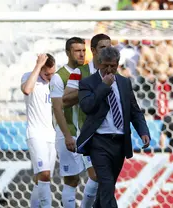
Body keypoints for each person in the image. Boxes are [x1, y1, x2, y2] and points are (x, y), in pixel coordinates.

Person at [77, 47, 150, 207]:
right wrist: (103, 86)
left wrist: (143, 131)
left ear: (118, 64)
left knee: (106, 188)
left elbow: (134, 110)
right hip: (99, 143)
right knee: (107, 183)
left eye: (113, 66)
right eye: (106, 66)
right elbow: (87, 107)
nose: (109, 69)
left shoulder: (124, 82)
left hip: (119, 143)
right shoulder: (87, 83)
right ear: (99, 64)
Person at [49, 37, 97, 208]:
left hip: (85, 132)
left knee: (96, 175)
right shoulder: (59, 77)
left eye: (84, 51)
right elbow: (57, 108)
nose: (82, 54)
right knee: (72, 179)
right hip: (67, 133)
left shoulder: (88, 72)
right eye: (77, 51)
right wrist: (67, 135)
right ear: (68, 52)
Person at [21, 53, 56, 208]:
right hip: (35, 134)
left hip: (51, 135)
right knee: (44, 174)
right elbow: (27, 90)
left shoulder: (56, 82)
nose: (49, 77)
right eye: (46, 73)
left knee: (42, 178)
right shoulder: (29, 77)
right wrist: (37, 66)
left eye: (52, 73)